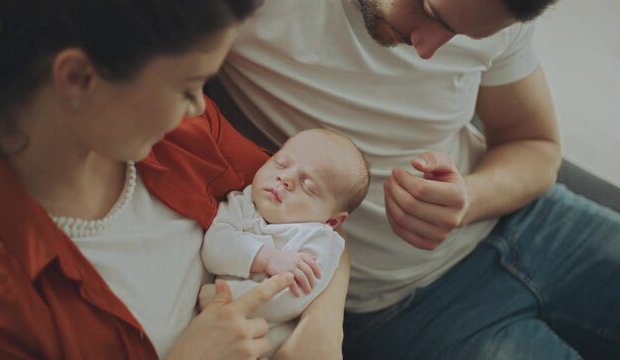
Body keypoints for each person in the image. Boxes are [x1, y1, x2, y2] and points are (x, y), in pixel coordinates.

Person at [207, 0, 620, 358]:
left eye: (459, 35)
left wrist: (470, 198)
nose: (426, 49)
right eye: (427, 11)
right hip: (410, 311)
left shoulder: (494, 12)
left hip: (539, 223)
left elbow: (535, 145)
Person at [0, 1, 349, 359]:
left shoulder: (186, 135)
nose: (200, 106)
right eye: (188, 88)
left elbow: (320, 221)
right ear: (79, 78)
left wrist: (323, 327)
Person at [200, 129, 370, 355]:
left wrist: (223, 297)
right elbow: (215, 247)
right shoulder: (243, 201)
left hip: (273, 341)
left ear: (332, 220)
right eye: (280, 163)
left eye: (309, 186)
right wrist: (266, 258)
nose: (285, 179)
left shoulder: (320, 240)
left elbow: (288, 298)